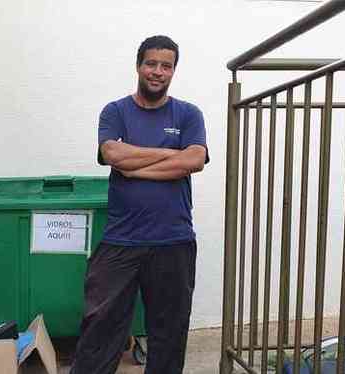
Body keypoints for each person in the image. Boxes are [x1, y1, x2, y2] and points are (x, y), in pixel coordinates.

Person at [70, 35, 208, 374]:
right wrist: (169, 154)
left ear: (174, 71)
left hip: (173, 240)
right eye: (151, 64)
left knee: (169, 333)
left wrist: (136, 166)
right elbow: (112, 153)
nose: (158, 72)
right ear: (138, 66)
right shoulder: (116, 111)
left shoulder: (188, 114)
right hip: (121, 240)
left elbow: (194, 159)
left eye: (166, 66)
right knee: (100, 328)